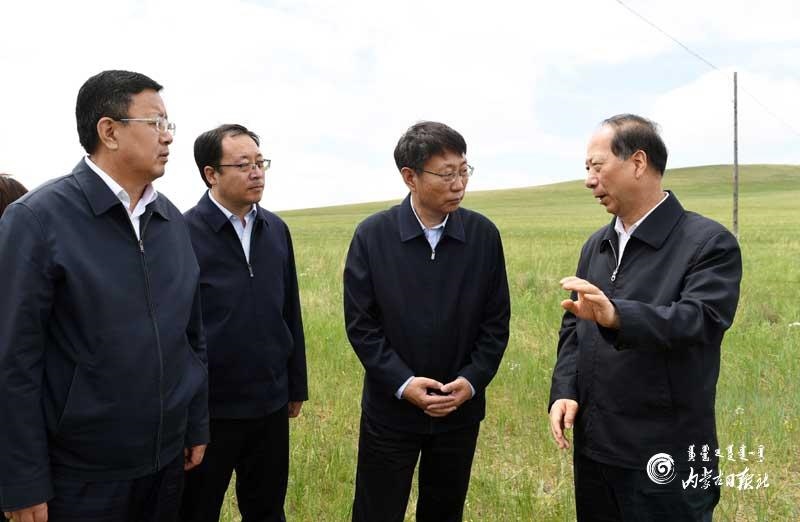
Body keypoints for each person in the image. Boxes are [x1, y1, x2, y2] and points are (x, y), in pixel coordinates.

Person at [0, 70, 208, 522]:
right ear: (109, 131)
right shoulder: (36, 220)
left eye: (169, 124)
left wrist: (194, 422)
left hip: (165, 462)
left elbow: (190, 337)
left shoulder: (172, 222)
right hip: (81, 477)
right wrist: (21, 479)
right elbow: (13, 360)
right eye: (155, 123)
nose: (168, 136)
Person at [548, 114, 742, 521]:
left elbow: (700, 320)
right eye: (586, 168)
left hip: (667, 454)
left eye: (597, 166)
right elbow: (574, 327)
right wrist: (565, 389)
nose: (589, 180)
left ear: (638, 162)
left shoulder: (708, 243)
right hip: (596, 451)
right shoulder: (597, 245)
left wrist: (618, 315)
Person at [343, 121, 511, 522]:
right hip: (391, 411)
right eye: (447, 174)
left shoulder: (484, 236)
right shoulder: (373, 235)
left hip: (459, 411)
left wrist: (470, 382)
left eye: (464, 171)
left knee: (444, 511)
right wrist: (404, 384)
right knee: (376, 511)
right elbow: (362, 325)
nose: (459, 184)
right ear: (410, 177)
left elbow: (496, 323)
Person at [180, 124, 308, 522]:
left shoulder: (276, 230)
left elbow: (289, 310)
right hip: (212, 410)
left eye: (260, 162)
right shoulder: (181, 234)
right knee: (196, 510)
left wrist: (295, 384)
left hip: (270, 403)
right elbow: (176, 330)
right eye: (243, 165)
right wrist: (185, 412)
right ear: (211, 174)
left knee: (267, 509)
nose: (256, 173)